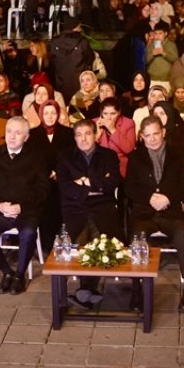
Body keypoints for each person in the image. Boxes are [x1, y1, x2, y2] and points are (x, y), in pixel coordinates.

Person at [127, 116, 184, 312]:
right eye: (147, 135)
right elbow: (130, 187)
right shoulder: (136, 157)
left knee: (183, 235)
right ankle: (136, 289)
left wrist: (168, 199)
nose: (152, 139)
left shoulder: (178, 155)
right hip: (145, 213)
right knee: (135, 237)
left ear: (163, 132)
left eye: (155, 134)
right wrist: (149, 197)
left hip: (171, 212)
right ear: (142, 136)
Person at [0, 117, 47, 296]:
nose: (12, 136)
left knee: (28, 233)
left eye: (18, 133)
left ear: (26, 137)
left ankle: (19, 276)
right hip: (1, 211)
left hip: (26, 211)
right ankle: (7, 272)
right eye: (9, 131)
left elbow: (43, 190)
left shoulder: (37, 157)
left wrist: (21, 207)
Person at [57, 120, 124, 303]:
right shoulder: (65, 157)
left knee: (99, 245)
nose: (83, 138)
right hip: (75, 210)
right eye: (79, 135)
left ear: (96, 135)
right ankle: (87, 290)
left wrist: (85, 182)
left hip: (102, 209)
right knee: (78, 245)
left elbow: (113, 184)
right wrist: (96, 185)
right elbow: (64, 187)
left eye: (87, 133)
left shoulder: (108, 156)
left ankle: (85, 291)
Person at [48, 18, 95, 100]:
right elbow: (90, 58)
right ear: (74, 27)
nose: (81, 29)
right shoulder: (82, 42)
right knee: (78, 108)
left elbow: (51, 60)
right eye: (79, 27)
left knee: (62, 105)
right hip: (79, 82)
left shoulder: (54, 42)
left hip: (60, 81)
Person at [95, 98, 136, 176]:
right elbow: (87, 151)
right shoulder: (94, 122)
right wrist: (97, 137)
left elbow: (129, 149)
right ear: (101, 113)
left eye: (113, 113)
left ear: (119, 112)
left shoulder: (128, 123)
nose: (108, 117)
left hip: (120, 167)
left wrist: (112, 129)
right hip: (100, 167)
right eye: (105, 113)